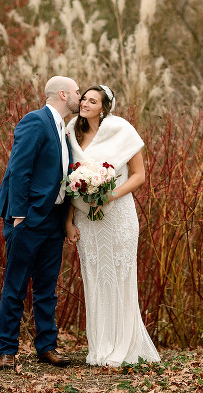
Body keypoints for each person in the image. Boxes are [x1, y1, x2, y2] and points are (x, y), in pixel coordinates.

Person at [64, 85, 160, 367]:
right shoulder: (72, 132)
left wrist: (109, 194)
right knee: (94, 277)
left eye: (92, 101)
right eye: (83, 99)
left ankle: (123, 346)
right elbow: (70, 180)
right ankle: (100, 347)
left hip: (117, 214)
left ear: (104, 108)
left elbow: (139, 175)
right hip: (86, 219)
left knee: (119, 276)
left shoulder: (122, 130)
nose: (84, 103)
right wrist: (68, 221)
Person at [0, 76, 81, 370]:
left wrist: (66, 220)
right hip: (28, 218)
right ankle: (7, 350)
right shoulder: (35, 121)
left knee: (46, 288)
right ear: (63, 94)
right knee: (16, 285)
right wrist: (19, 215)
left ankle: (46, 346)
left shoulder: (65, 130)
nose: (81, 97)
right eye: (78, 92)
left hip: (54, 220)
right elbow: (19, 168)